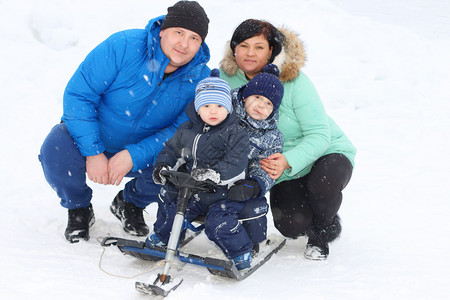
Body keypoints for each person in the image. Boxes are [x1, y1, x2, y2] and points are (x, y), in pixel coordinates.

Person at [38, 1, 211, 243]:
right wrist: (93, 151)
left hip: (145, 153)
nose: (184, 44)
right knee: (56, 146)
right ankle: (78, 207)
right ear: (163, 30)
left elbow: (180, 130)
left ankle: (130, 203)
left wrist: (134, 155)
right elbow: (80, 95)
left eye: (194, 38)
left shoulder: (201, 79)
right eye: (179, 32)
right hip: (95, 138)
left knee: (180, 166)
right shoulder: (125, 46)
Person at [220, 19, 357, 260]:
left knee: (322, 185)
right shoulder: (225, 79)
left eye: (259, 47)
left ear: (271, 50)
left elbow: (319, 134)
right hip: (274, 161)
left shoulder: (294, 81)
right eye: (243, 45)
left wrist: (288, 159)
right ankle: (308, 214)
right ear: (234, 48)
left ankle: (322, 232)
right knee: (291, 225)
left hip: (325, 150)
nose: (250, 53)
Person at [148, 69, 253, 270]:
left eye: (219, 106)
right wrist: (163, 166)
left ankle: (240, 252)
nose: (213, 111)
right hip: (190, 191)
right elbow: (171, 150)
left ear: (229, 108)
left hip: (223, 195)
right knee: (172, 210)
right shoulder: (186, 130)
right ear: (197, 108)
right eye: (206, 105)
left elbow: (236, 162)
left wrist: (215, 174)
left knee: (219, 223)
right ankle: (163, 237)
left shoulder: (235, 133)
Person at [227, 64, 284, 254]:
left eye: (269, 103)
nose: (261, 105)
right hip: (213, 174)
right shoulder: (225, 113)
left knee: (253, 205)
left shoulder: (273, 136)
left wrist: (256, 184)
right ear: (245, 96)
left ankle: (251, 241)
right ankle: (172, 232)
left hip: (242, 182)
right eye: (257, 97)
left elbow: (267, 167)